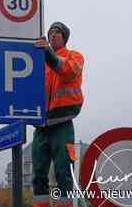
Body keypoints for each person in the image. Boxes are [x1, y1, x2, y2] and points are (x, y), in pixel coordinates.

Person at [32, 22, 84, 207]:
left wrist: (47, 52)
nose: (53, 35)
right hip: (41, 125)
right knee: (38, 173)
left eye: (58, 32)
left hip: (63, 123)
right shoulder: (38, 61)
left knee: (63, 172)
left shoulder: (74, 56)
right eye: (51, 32)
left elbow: (66, 70)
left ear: (65, 37)